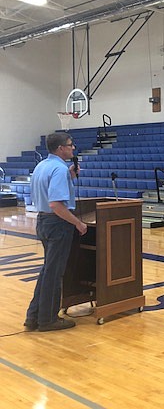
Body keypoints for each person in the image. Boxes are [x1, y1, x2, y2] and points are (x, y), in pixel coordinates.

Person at [25, 133, 87, 332]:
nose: (73, 148)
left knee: (47, 271)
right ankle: (48, 319)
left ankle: (33, 316)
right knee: (54, 273)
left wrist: (68, 176)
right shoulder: (59, 169)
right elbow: (56, 205)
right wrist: (78, 223)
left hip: (42, 221)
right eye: (70, 145)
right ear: (60, 148)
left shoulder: (42, 166)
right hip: (57, 224)